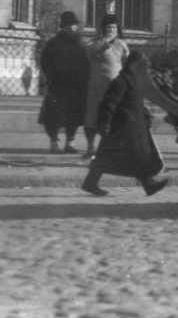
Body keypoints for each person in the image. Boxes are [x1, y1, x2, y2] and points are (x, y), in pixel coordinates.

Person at [81, 51, 168, 197]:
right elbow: (109, 103)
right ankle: (148, 184)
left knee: (132, 155)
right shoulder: (121, 81)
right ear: (134, 65)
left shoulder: (133, 80)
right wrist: (105, 123)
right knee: (121, 155)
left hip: (131, 126)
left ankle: (148, 184)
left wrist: (145, 115)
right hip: (121, 126)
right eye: (142, 64)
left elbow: (136, 102)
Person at [39, 11, 89, 153]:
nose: (72, 28)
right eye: (69, 25)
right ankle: (54, 142)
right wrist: (50, 77)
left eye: (74, 25)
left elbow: (87, 62)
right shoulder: (53, 43)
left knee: (74, 115)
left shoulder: (81, 43)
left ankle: (70, 142)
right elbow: (45, 62)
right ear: (63, 27)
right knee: (52, 115)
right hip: (57, 85)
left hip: (77, 86)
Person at [83, 14, 130, 157]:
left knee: (113, 117)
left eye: (114, 27)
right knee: (92, 117)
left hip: (114, 88)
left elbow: (127, 62)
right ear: (103, 29)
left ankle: (110, 148)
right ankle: (90, 147)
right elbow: (90, 53)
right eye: (109, 27)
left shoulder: (122, 44)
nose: (111, 30)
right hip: (97, 87)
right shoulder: (94, 43)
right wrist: (105, 42)